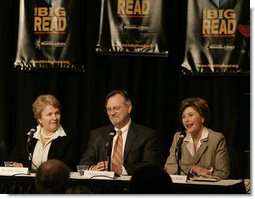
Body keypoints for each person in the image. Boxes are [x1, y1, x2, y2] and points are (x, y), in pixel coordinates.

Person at [79, 89, 159, 176]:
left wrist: (121, 169)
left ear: (129, 108)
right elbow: (84, 162)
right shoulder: (97, 134)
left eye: (116, 108)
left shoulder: (146, 134)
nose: (112, 113)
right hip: (102, 186)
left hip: (131, 186)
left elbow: (150, 165)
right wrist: (94, 168)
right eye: (109, 109)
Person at [164, 97, 230, 179]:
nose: (186, 120)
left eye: (190, 115)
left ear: (202, 118)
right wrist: (192, 169)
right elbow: (169, 168)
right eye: (183, 117)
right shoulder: (178, 137)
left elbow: (223, 173)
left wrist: (207, 172)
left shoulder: (216, 138)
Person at [10, 94, 79, 171]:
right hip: (27, 182)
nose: (55, 118)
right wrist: (15, 165)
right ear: (39, 118)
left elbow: (69, 165)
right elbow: (14, 160)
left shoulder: (69, 137)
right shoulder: (28, 135)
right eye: (49, 114)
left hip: (55, 181)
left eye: (57, 113)